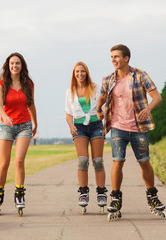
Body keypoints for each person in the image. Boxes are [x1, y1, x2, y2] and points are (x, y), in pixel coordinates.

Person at [97, 44, 165, 217]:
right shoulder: (108, 80)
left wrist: (148, 109)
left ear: (126, 58)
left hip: (138, 127)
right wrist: (99, 109)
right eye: (112, 57)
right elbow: (103, 98)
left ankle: (152, 195)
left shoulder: (140, 76)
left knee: (144, 162)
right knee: (117, 161)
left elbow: (157, 97)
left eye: (117, 56)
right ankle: (116, 198)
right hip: (118, 127)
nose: (113, 60)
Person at [0, 53, 37, 214]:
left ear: (21, 66)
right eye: (12, 63)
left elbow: (31, 105)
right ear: (8, 65)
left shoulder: (28, 83)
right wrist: (5, 117)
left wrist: (35, 122)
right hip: (7, 126)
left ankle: (19, 194)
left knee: (19, 160)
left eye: (17, 63)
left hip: (24, 125)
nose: (14, 66)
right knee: (4, 162)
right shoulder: (1, 84)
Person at [65, 62, 107, 212]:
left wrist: (103, 115)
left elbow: (104, 105)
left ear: (86, 72)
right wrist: (71, 126)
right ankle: (83, 192)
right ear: (74, 74)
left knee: (98, 161)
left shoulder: (95, 88)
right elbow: (68, 114)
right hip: (79, 128)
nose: (80, 74)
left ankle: (101, 192)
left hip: (96, 125)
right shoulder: (70, 91)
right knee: (83, 161)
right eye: (77, 72)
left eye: (82, 71)